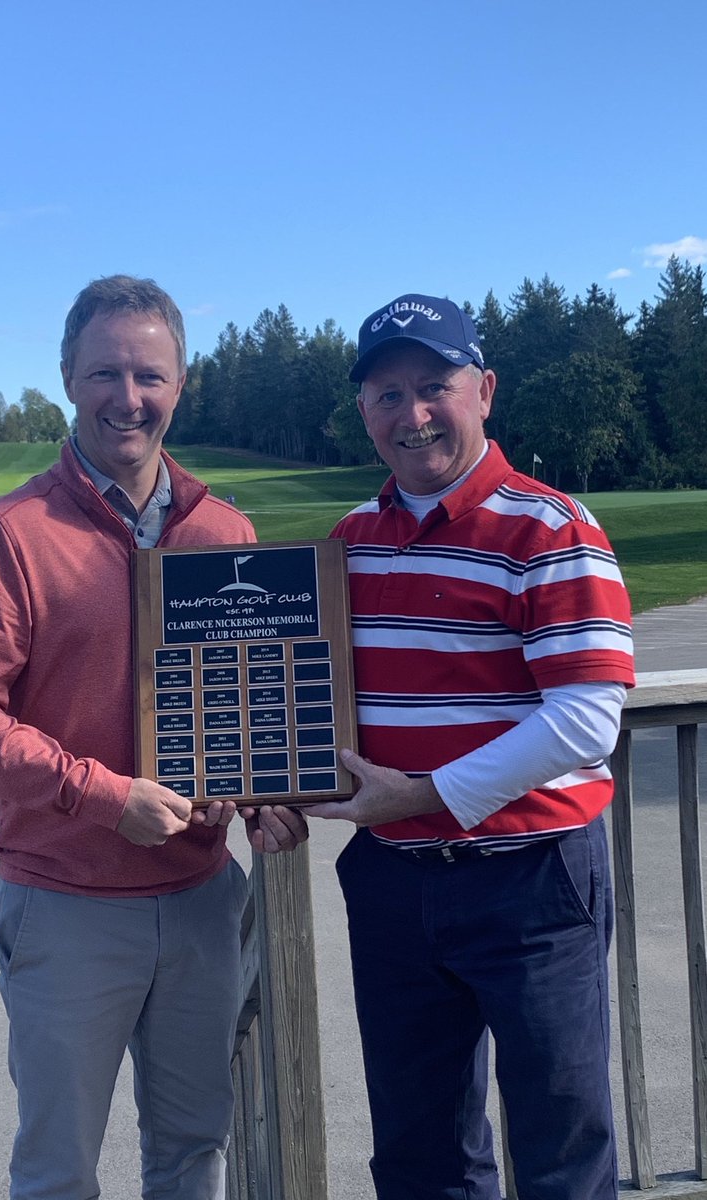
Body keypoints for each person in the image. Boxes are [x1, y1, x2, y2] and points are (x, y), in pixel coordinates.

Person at [0, 274, 306, 1200]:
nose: (127, 398)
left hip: (204, 899)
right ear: (66, 379)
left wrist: (261, 790)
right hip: (66, 904)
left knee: (192, 1154)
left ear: (181, 383)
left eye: (148, 375)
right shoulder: (13, 532)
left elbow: (245, 709)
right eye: (103, 374)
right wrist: (100, 795)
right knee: (57, 1173)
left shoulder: (225, 531)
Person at [304, 293, 635, 1200]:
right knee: (418, 1154)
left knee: (560, 1147)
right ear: (363, 412)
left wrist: (424, 793)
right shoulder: (348, 544)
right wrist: (269, 791)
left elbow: (583, 720)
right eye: (384, 394)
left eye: (432, 386)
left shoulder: (551, 529)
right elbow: (315, 715)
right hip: (392, 882)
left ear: (482, 390)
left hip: (530, 881)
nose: (410, 415)